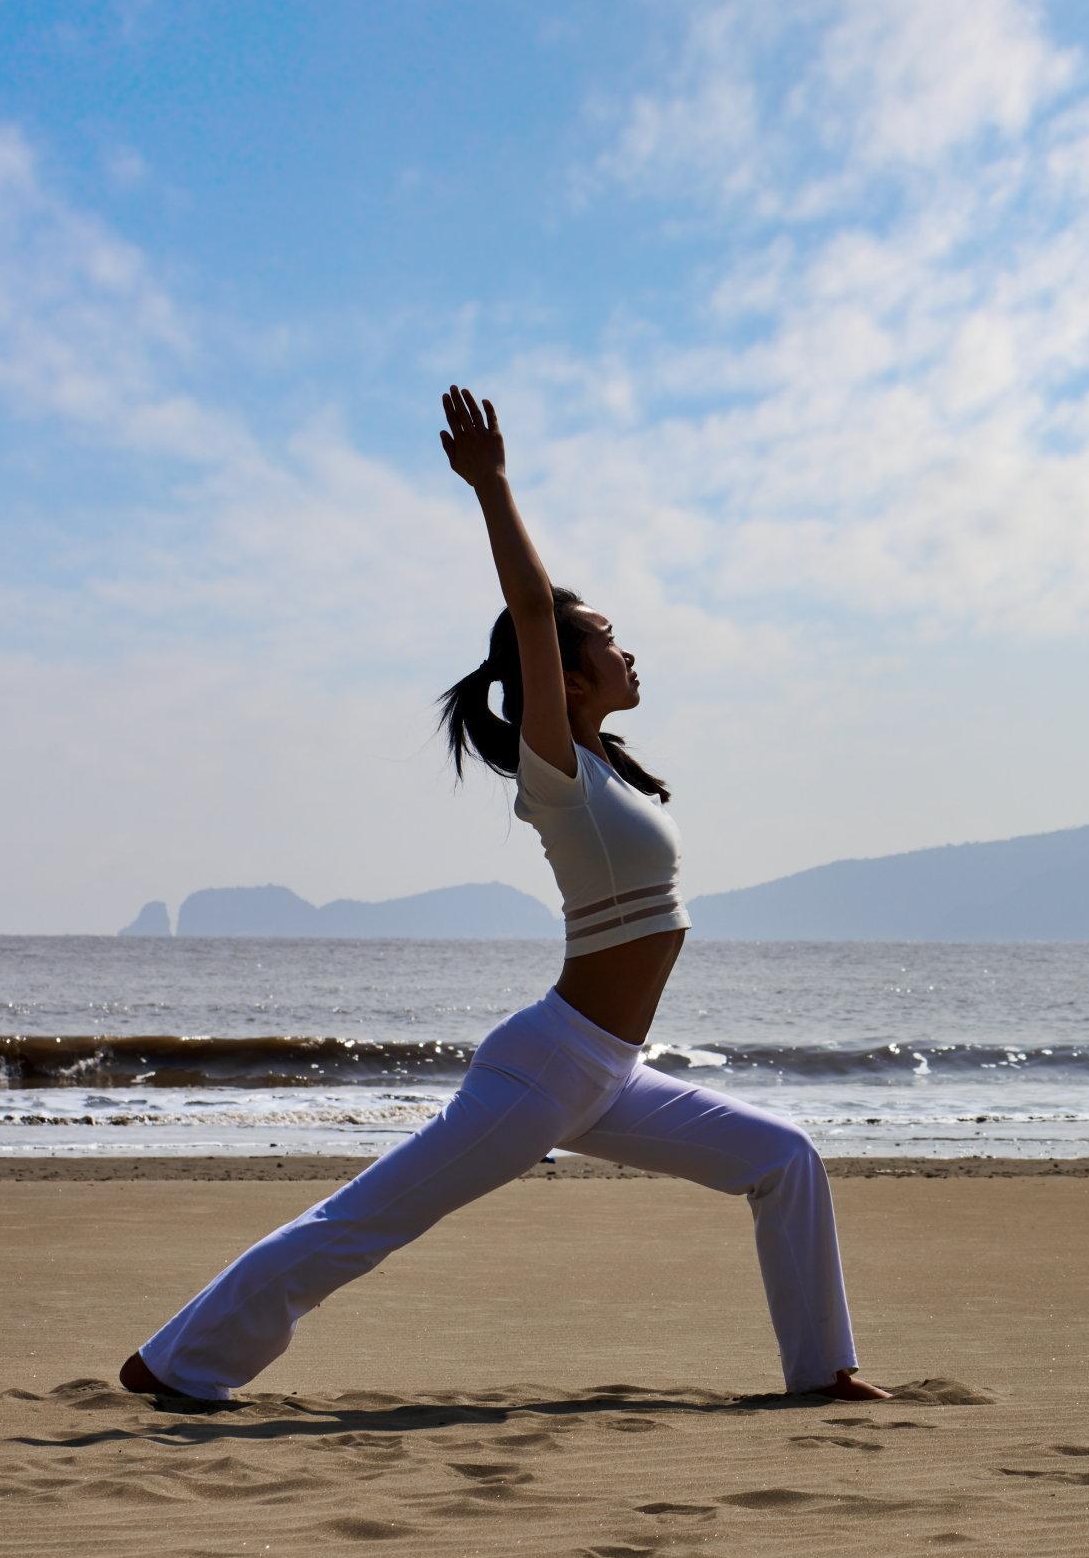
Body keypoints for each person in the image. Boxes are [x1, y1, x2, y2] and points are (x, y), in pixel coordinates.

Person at [119, 385, 887, 1404]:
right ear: (563, 678)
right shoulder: (554, 770)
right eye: (608, 640)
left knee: (784, 1157)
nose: (628, 650)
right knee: (370, 1220)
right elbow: (530, 609)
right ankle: (176, 1363)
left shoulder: (605, 771)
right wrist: (493, 487)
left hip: (608, 1070)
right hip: (546, 1068)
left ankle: (822, 1373)